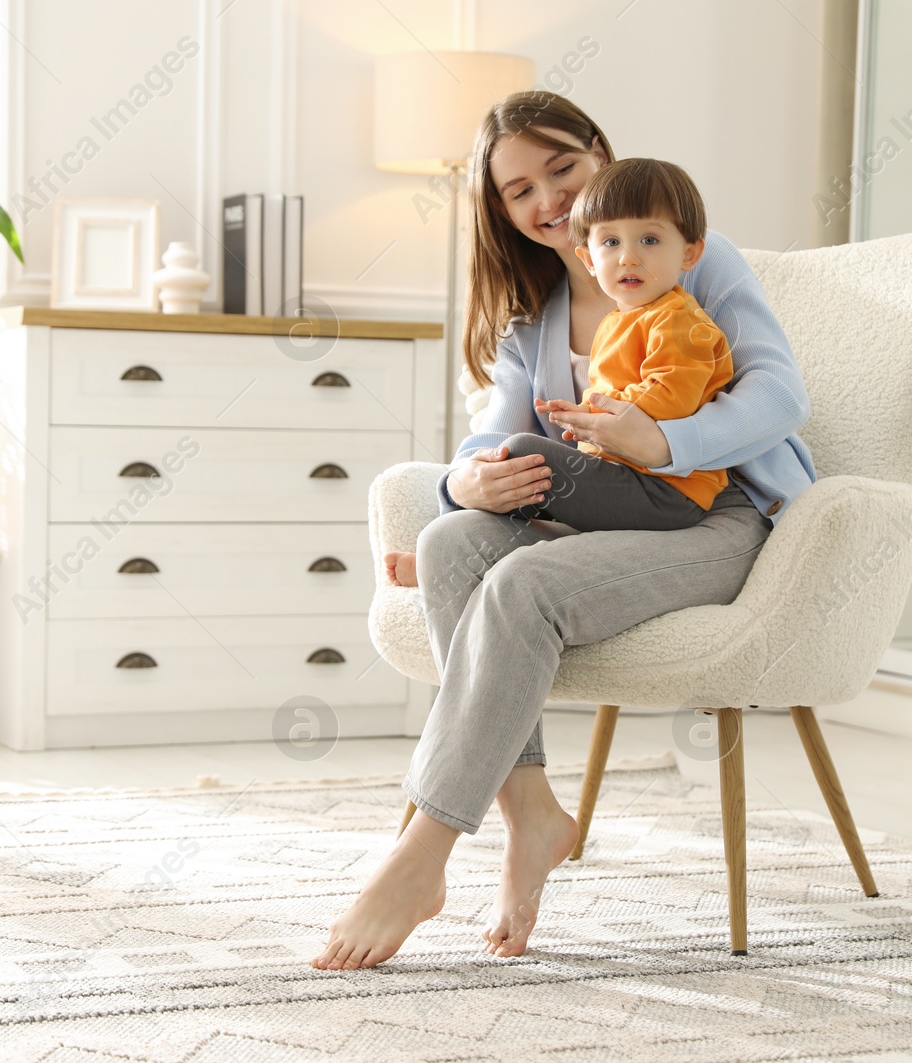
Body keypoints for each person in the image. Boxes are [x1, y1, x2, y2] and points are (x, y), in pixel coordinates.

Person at [311, 90, 816, 971]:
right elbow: (487, 436)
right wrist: (463, 479)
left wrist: (665, 439)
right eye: (518, 191)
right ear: (499, 212)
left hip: (719, 516)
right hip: (609, 516)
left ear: (598, 156)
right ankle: (531, 811)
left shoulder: (693, 259)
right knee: (449, 543)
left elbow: (780, 395)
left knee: (524, 584)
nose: (547, 201)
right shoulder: (532, 312)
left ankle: (421, 856)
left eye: (562, 171)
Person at [382, 156, 735, 590]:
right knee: (511, 461)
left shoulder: (680, 319)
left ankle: (462, 557)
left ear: (691, 252)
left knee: (533, 453)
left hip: (672, 490)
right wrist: (464, 483)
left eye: (648, 240)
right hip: (626, 479)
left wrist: (594, 418)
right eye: (610, 244)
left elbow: (676, 394)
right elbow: (494, 436)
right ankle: (449, 555)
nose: (628, 257)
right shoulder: (614, 321)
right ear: (588, 256)